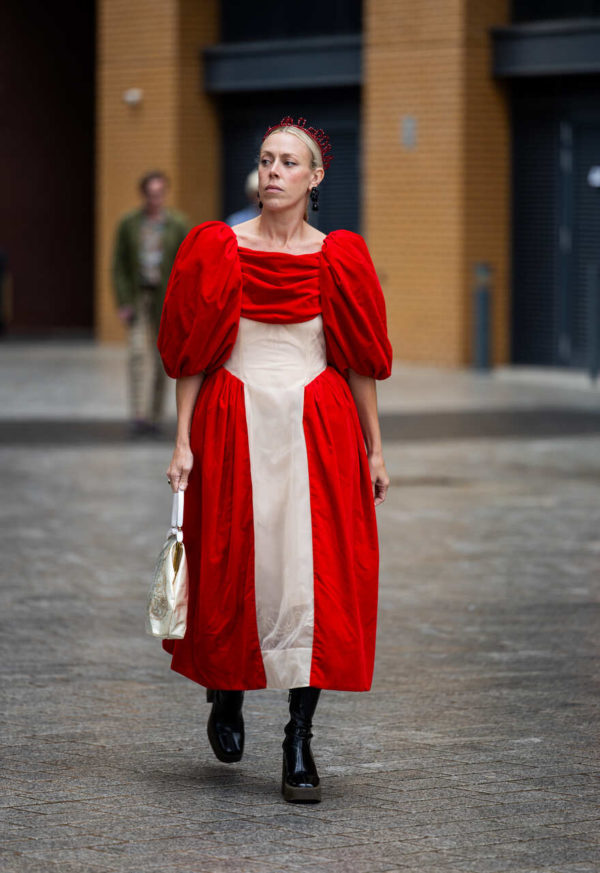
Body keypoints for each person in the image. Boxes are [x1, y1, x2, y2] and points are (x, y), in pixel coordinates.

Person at [157, 116, 393, 804]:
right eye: (266, 160)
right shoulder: (217, 248)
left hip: (317, 427)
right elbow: (193, 354)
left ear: (315, 178)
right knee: (234, 565)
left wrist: (376, 448)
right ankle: (226, 690)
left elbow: (356, 363)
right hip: (232, 418)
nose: (273, 171)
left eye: (289, 162)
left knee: (309, 582)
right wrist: (182, 440)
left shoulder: (339, 258)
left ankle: (298, 736)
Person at [112, 170, 188, 436]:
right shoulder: (130, 223)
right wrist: (123, 300)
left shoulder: (177, 224)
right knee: (136, 355)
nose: (155, 198)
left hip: (164, 298)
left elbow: (187, 264)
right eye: (150, 193)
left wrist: (182, 302)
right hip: (138, 295)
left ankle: (155, 414)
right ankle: (138, 414)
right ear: (143, 194)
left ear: (164, 193)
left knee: (160, 357)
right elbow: (118, 264)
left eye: (159, 193)